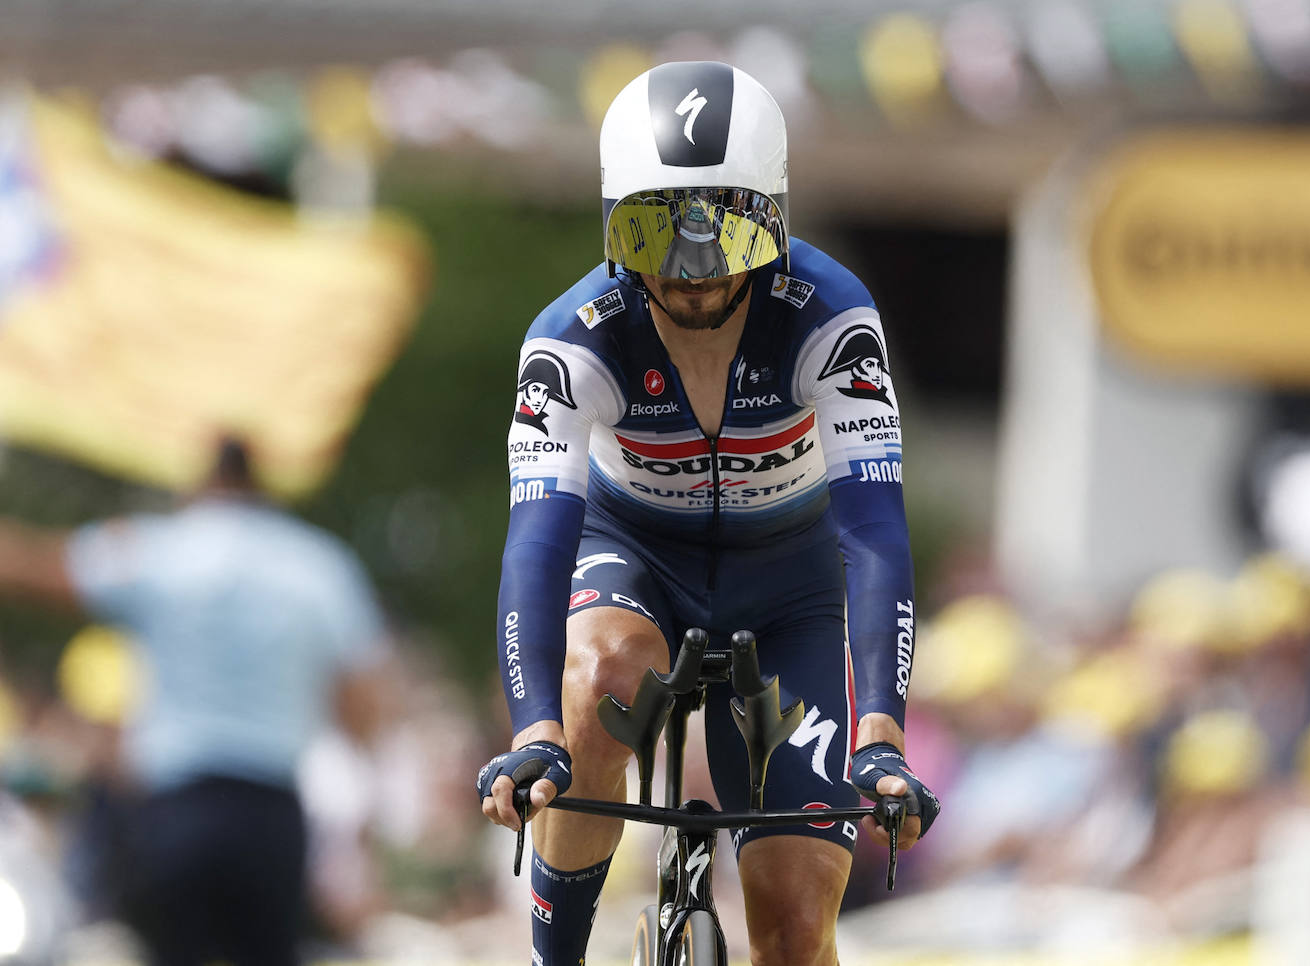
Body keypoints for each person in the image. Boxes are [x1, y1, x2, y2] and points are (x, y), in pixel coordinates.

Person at [476, 61, 939, 966]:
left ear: (775, 216)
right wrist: (535, 730)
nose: (691, 272)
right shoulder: (571, 340)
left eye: (724, 232)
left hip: (791, 587)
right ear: (613, 223)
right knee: (603, 677)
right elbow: (538, 540)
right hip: (635, 559)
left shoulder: (832, 316)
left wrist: (881, 732)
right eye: (654, 231)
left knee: (797, 930)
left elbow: (873, 527)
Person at [0, 437, 391, 966]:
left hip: (177, 811)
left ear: (202, 480)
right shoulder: (317, 564)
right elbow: (364, 697)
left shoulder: (159, 549)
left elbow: (40, 570)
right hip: (271, 813)